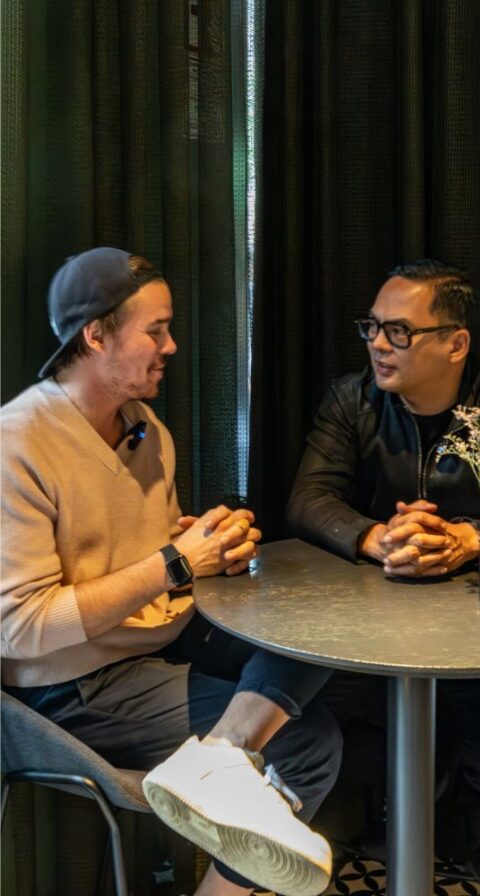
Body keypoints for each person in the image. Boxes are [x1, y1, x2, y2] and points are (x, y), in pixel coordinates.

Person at [1, 248, 341, 896]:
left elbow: (150, 552)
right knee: (307, 743)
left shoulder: (144, 428)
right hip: (71, 685)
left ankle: (221, 756)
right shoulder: (17, 443)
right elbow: (20, 629)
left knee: (318, 619)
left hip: (156, 635)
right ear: (96, 335)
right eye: (155, 329)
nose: (172, 345)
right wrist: (176, 561)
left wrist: (204, 545)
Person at [285, 259, 480, 887]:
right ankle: (383, 798)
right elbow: (308, 500)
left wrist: (471, 537)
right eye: (372, 327)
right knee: (328, 712)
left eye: (398, 331)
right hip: (375, 615)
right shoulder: (351, 400)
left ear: (455, 344)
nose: (376, 343)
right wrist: (377, 537)